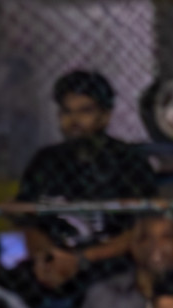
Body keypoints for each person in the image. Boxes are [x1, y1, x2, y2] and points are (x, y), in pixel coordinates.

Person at [16, 70, 157, 282]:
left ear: (105, 116)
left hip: (114, 267)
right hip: (55, 267)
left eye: (85, 111)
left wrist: (81, 258)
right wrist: (50, 258)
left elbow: (143, 228)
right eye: (67, 112)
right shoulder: (45, 162)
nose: (74, 120)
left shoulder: (128, 161)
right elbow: (29, 223)